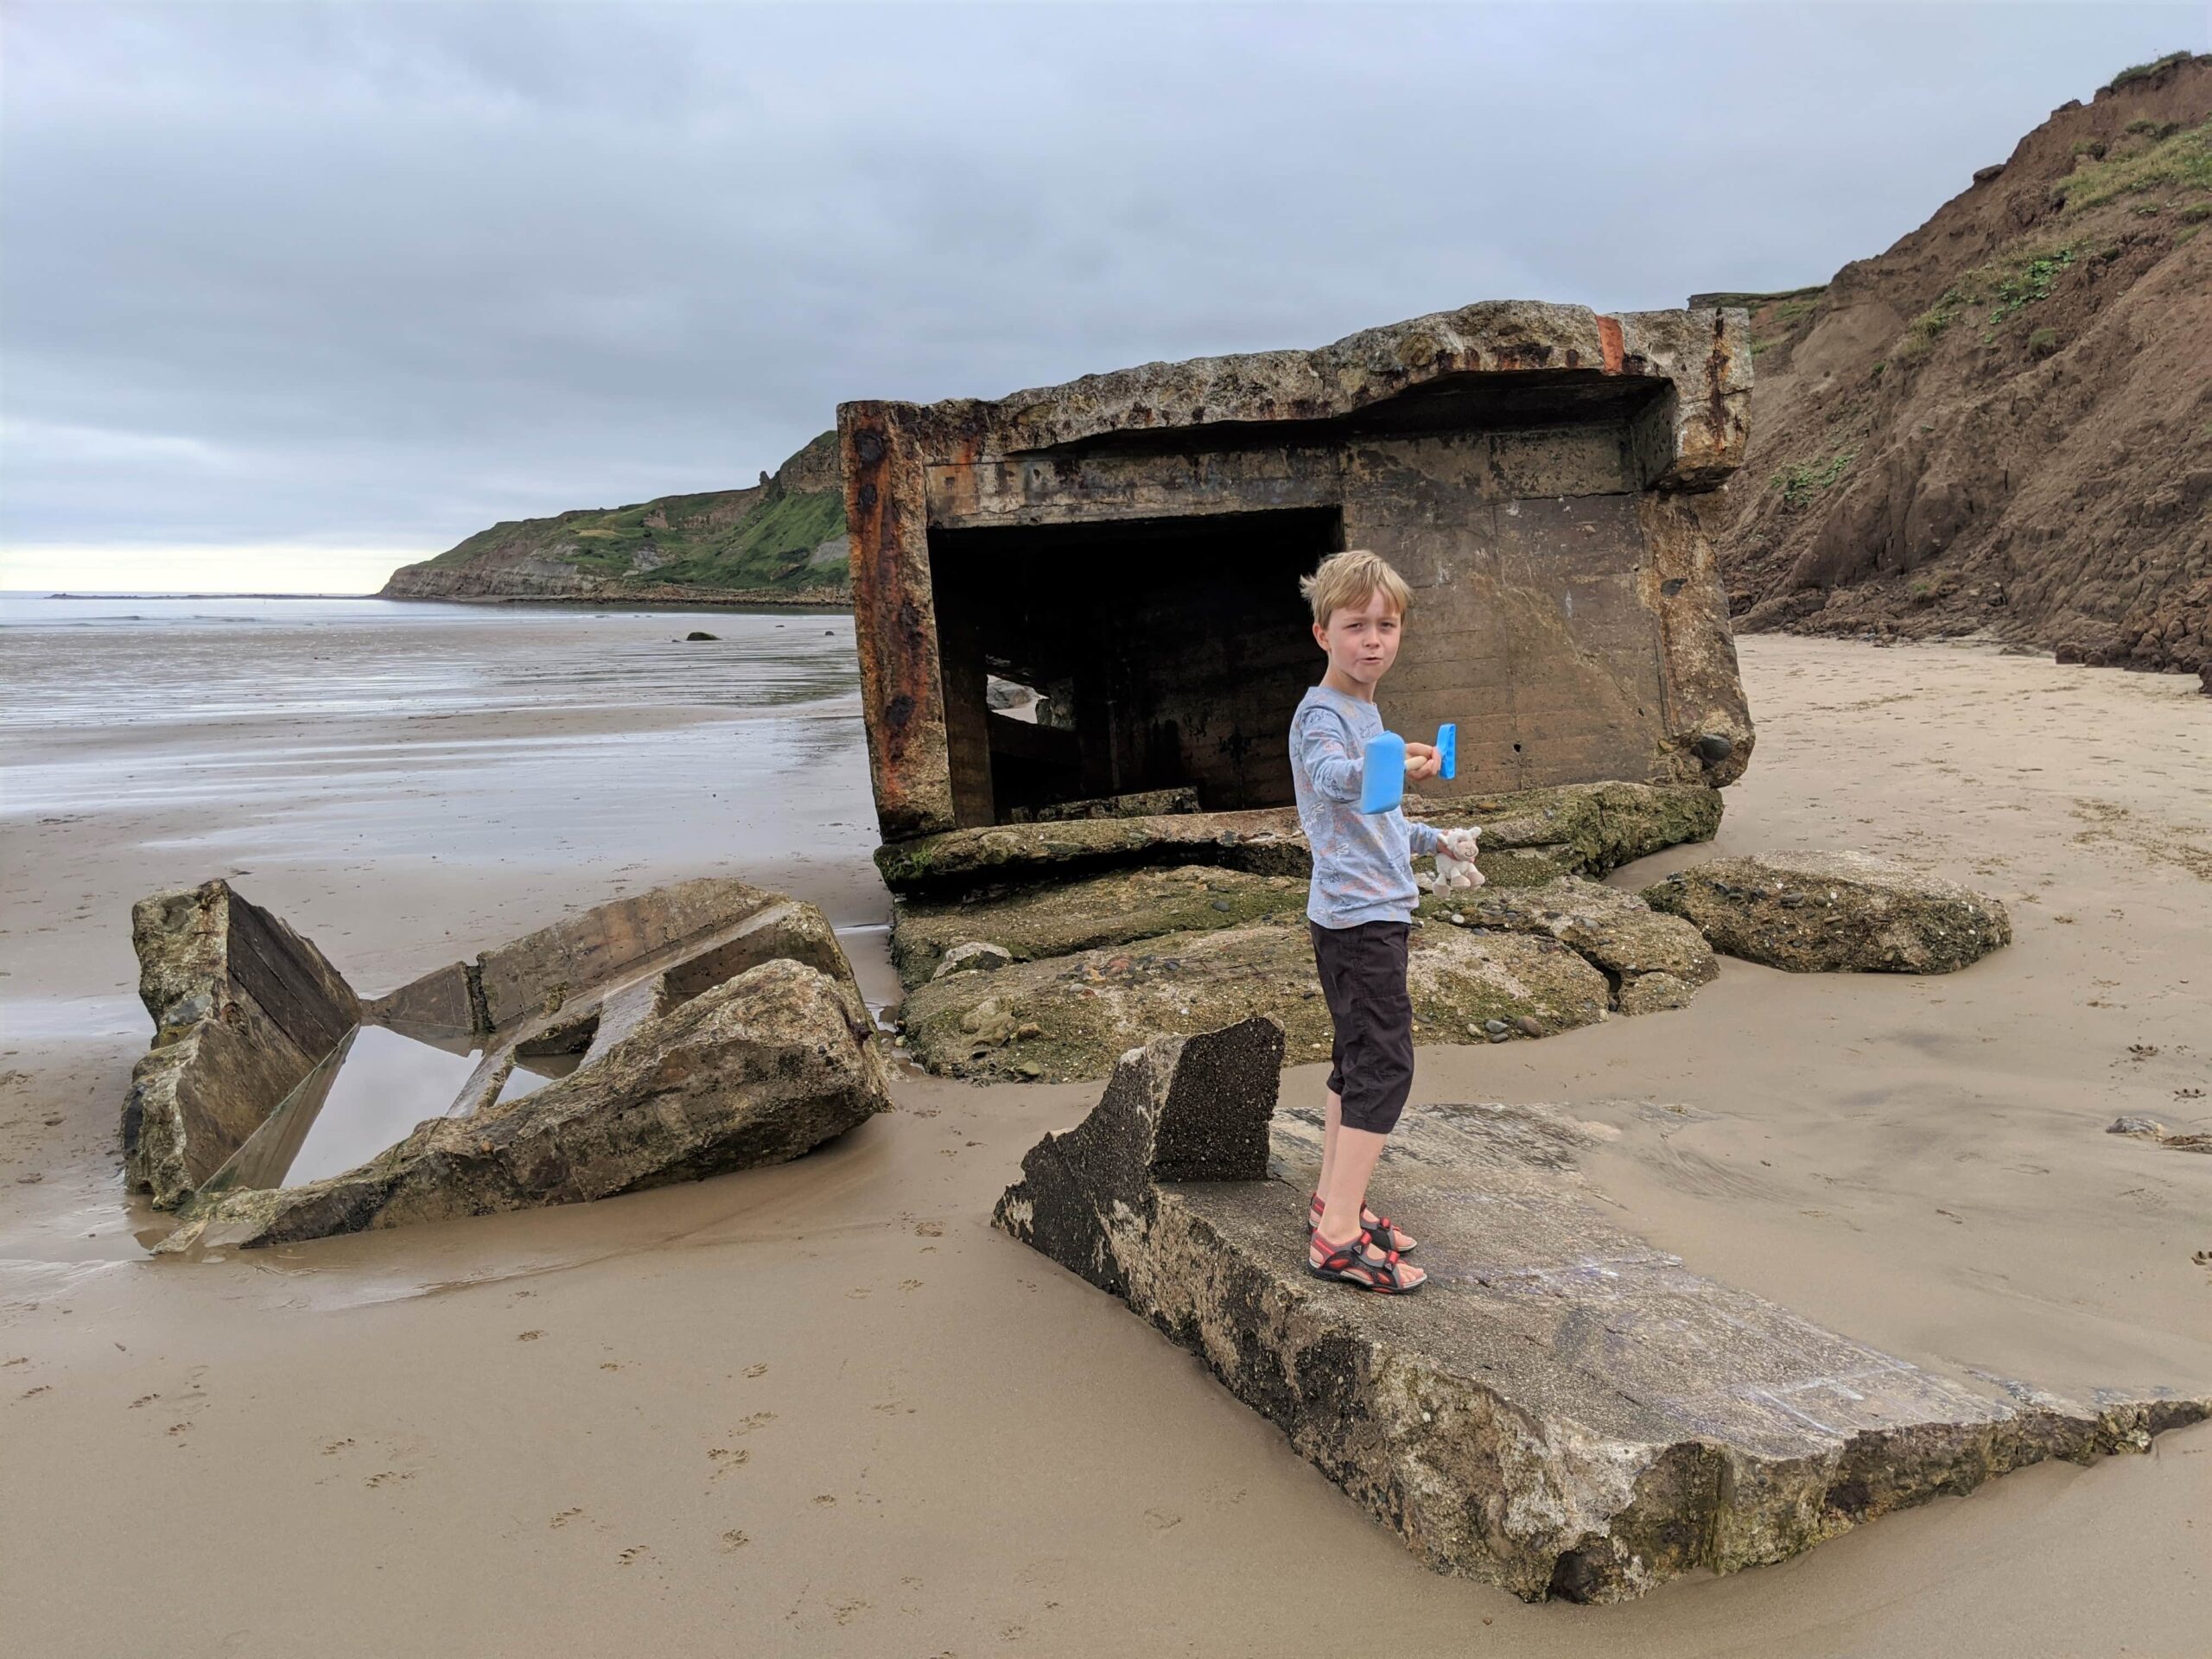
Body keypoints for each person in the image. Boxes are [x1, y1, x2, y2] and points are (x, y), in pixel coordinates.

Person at [1289, 550, 1481, 1294]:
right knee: (1386, 1067)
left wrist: (1435, 840)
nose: (1373, 639)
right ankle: (1334, 1239)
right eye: (1356, 626)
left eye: (1387, 625)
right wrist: (1395, 761)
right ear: (1322, 635)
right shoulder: (1322, 716)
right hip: (1356, 920)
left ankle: (1334, 1201)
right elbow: (1338, 782)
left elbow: (1377, 823)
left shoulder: (1364, 712)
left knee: (1355, 1059)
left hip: (1369, 909)